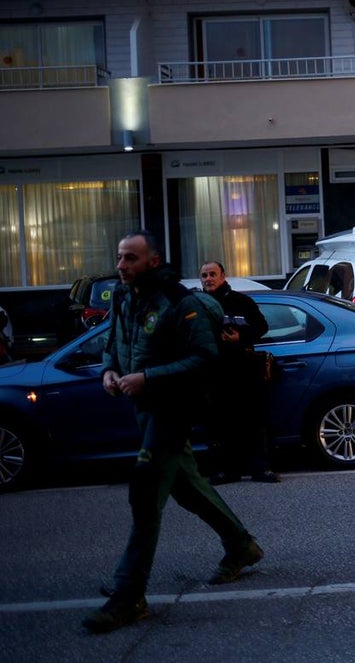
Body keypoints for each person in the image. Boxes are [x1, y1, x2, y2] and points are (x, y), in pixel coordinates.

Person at [84, 230, 264, 634]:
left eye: (131, 258)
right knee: (185, 485)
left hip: (172, 409)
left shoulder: (178, 303)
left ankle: (129, 595)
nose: (122, 266)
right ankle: (241, 545)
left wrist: (147, 377)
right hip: (143, 410)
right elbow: (112, 343)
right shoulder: (124, 296)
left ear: (153, 261)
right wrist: (110, 371)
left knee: (145, 494)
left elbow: (204, 358)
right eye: (119, 257)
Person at [199, 260, 278, 484]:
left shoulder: (241, 302)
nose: (208, 279)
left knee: (254, 421)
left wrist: (240, 337)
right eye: (204, 275)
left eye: (212, 274)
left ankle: (260, 469)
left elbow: (262, 327)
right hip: (213, 374)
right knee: (219, 425)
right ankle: (225, 471)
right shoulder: (197, 305)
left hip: (244, 371)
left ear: (223, 275)